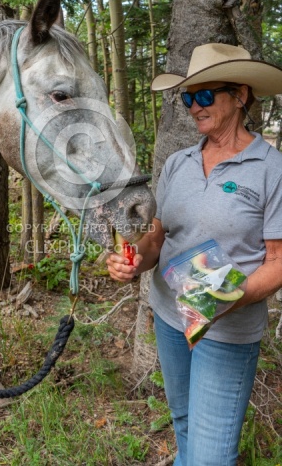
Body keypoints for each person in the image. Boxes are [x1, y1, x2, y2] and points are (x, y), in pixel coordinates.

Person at [106, 43, 282, 466]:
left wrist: (231, 298)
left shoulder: (270, 168)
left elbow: (278, 261)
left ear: (240, 95)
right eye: (188, 97)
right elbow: (156, 239)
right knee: (183, 421)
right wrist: (134, 260)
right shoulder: (177, 164)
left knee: (212, 456)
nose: (193, 107)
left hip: (226, 328)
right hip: (169, 316)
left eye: (205, 96)